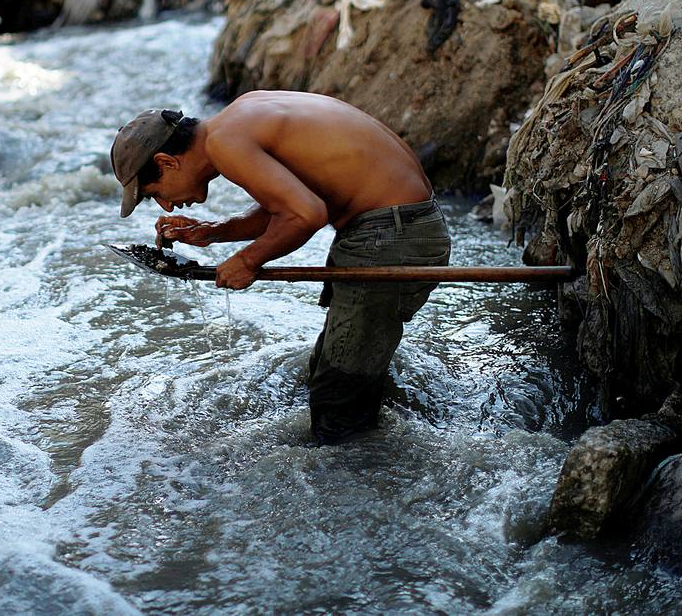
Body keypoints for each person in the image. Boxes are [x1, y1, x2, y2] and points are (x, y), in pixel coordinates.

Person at [109, 90, 451, 443]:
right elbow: (288, 203)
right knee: (331, 372)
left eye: (154, 193)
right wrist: (214, 232)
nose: (166, 206)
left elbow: (305, 214)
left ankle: (365, 466)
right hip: (403, 225)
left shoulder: (225, 144)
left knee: (338, 401)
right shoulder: (237, 118)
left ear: (167, 162)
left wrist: (248, 261)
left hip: (391, 234)